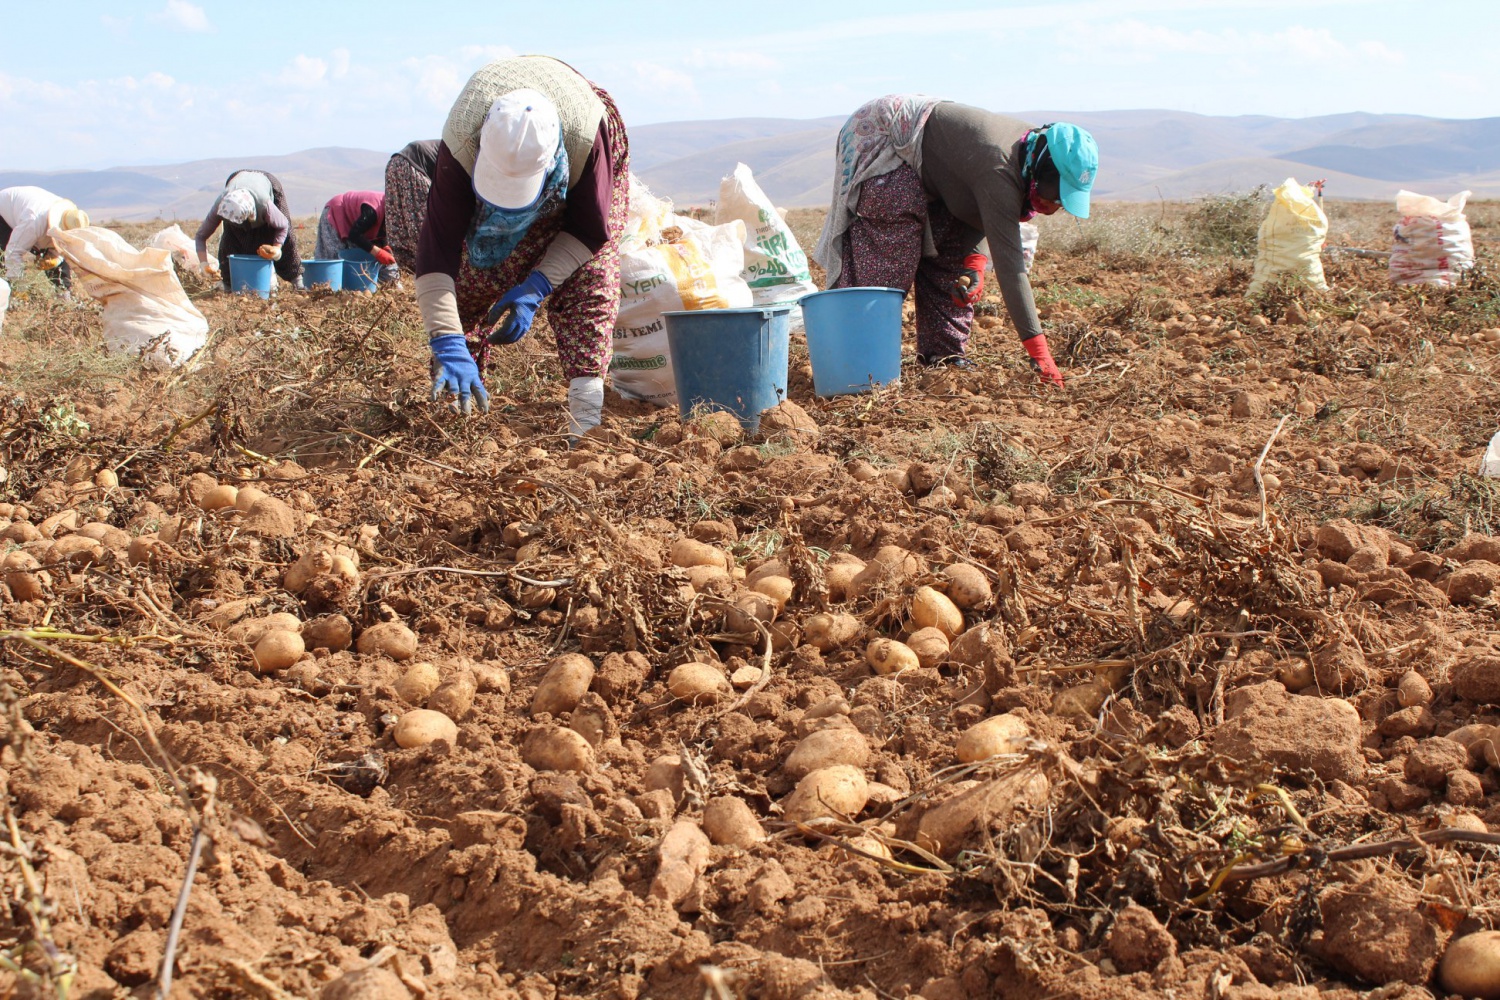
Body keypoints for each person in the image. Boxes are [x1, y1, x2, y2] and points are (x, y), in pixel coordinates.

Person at [812, 97, 1098, 385]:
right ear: (1045, 175)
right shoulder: (1001, 165)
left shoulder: (1031, 151)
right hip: (883, 134)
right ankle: (860, 366)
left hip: (929, 163)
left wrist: (974, 262)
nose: (1055, 207)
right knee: (892, 244)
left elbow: (971, 202)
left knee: (949, 249)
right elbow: (1012, 270)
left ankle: (943, 356)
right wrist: (1041, 355)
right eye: (1057, 197)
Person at [415, 55, 628, 435]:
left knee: (591, 279)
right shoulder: (462, 140)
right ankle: (458, 414)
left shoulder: (587, 140)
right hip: (489, 143)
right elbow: (437, 250)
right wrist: (447, 339)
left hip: (580, 148)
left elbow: (589, 230)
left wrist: (537, 287)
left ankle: (586, 424)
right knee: (469, 282)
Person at [194, 169, 303, 289]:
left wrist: (277, 248)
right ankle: (229, 284)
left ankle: (297, 281)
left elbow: (283, 226)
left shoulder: (265, 205)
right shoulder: (223, 205)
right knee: (230, 240)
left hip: (266, 185)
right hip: (236, 184)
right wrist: (204, 265)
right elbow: (200, 236)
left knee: (284, 239)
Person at [0, 186, 89, 292]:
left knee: (53, 258)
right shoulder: (33, 222)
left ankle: (63, 294)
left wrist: (54, 256)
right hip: (3, 214)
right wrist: (19, 288)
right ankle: (9, 294)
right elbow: (13, 252)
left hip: (28, 212)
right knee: (3, 256)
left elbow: (60, 249)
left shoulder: (71, 218)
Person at [315, 190, 398, 283]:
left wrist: (385, 247)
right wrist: (378, 253)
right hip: (338, 212)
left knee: (370, 258)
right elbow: (355, 234)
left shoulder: (393, 215)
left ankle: (386, 283)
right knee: (335, 259)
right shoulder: (373, 211)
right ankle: (331, 286)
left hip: (358, 227)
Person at [384, 140, 440, 274]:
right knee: (425, 230)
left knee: (400, 231)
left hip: (395, 163)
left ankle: (418, 274)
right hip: (413, 166)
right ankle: (433, 276)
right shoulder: (476, 155)